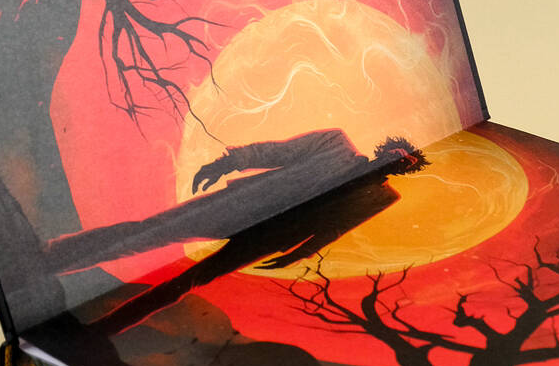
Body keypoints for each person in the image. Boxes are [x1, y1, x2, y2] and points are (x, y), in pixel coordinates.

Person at [44, 129, 427, 336]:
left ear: (405, 169)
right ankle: (54, 257)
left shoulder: (383, 197)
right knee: (147, 233)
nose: (399, 159)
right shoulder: (336, 143)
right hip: (239, 206)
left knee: (186, 283)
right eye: (398, 152)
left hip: (268, 238)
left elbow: (338, 227)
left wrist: (300, 252)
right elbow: (275, 151)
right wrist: (226, 163)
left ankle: (104, 330)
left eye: (406, 162)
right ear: (387, 148)